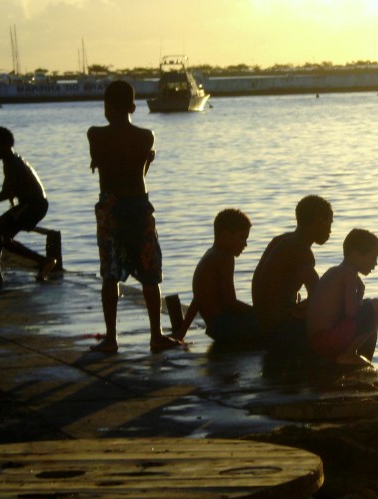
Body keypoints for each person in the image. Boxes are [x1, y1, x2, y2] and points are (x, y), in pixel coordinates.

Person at [87, 80, 180, 353]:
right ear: (133, 106)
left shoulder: (95, 135)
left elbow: (102, 164)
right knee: (150, 273)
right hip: (138, 205)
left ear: (106, 108)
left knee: (110, 274)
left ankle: (112, 338)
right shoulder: (146, 136)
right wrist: (147, 161)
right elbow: (137, 174)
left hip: (111, 208)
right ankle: (156, 335)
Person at [252, 195, 333, 353]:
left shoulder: (281, 240)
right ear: (318, 222)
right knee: (360, 315)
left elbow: (257, 282)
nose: (330, 230)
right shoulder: (301, 250)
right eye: (329, 223)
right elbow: (318, 296)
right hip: (281, 330)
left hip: (264, 323)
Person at [173, 208, 260, 345]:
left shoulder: (210, 254)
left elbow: (198, 299)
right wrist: (259, 313)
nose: (245, 244)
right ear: (225, 235)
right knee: (272, 323)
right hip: (226, 328)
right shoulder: (225, 258)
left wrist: (181, 332)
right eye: (242, 238)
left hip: (215, 328)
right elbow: (230, 302)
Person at [307, 228, 378, 366]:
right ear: (356, 255)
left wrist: (361, 292)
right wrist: (361, 293)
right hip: (326, 341)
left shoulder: (337, 271)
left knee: (368, 305)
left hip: (317, 341)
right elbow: (351, 312)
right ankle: (349, 354)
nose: (375, 263)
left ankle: (349, 354)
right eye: (373, 257)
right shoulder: (348, 273)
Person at [0, 126, 56, 287]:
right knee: (1, 236)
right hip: (30, 204)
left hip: (34, 205)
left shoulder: (13, 163)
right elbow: (11, 190)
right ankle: (43, 261)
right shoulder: (10, 161)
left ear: (5, 145)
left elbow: (7, 192)